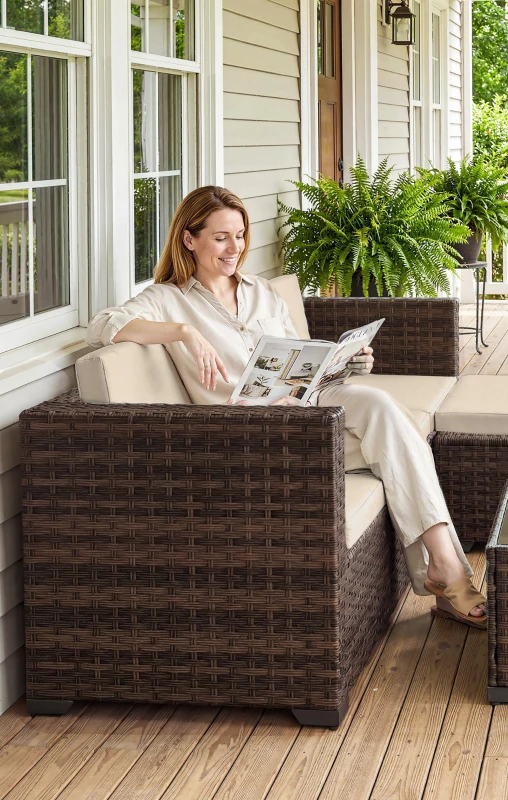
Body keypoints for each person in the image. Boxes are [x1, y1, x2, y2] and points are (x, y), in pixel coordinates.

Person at [86, 186, 486, 627]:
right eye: (220, 237)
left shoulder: (261, 291)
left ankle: (444, 568)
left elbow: (301, 359)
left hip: (309, 404)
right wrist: (184, 331)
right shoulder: (167, 298)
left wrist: (345, 361)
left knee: (380, 407)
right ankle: (448, 576)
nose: (234, 247)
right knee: (400, 440)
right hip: (256, 431)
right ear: (189, 239)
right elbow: (102, 326)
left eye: (239, 235)